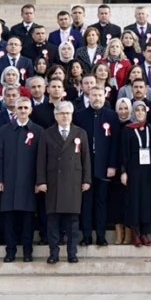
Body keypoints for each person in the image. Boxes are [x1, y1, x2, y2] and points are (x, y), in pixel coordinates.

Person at [38, 102, 91, 263]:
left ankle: (71, 253)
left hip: (73, 182)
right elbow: (41, 160)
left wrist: (86, 180)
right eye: (62, 113)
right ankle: (54, 253)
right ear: (56, 116)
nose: (65, 116)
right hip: (53, 182)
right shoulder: (47, 134)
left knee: (72, 222)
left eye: (68, 113)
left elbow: (86, 159)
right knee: (52, 220)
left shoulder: (80, 133)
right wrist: (41, 181)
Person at [0, 97, 41, 262]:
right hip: (9, 182)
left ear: (30, 110)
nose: (22, 110)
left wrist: (39, 181)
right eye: (19, 108)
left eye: (25, 108)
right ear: (15, 110)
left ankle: (27, 252)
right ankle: (10, 251)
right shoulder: (5, 130)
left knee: (28, 220)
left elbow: (40, 159)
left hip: (29, 183)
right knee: (9, 219)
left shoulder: (38, 130)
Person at [73, 87, 120, 246]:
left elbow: (115, 143)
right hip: (85, 167)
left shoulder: (112, 116)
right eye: (94, 95)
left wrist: (112, 165)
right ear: (88, 96)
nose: (97, 98)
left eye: (100, 95)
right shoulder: (79, 116)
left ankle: (101, 235)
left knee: (101, 202)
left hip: (104, 167)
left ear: (104, 96)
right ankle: (86, 236)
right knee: (86, 203)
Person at [118, 101, 151, 249]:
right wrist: (123, 172)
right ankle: (135, 233)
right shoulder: (127, 129)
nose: (140, 113)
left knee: (146, 201)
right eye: (138, 110)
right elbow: (123, 152)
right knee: (134, 200)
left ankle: (144, 233)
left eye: (143, 110)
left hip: (148, 170)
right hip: (133, 170)